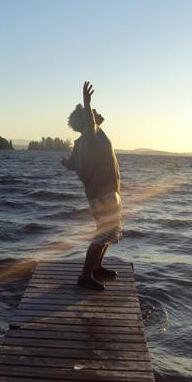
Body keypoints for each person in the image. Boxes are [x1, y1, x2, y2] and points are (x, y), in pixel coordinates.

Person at [62, 81, 122, 291]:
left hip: (100, 192)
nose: (95, 116)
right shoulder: (91, 133)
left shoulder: (80, 143)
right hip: (103, 192)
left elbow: (73, 165)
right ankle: (85, 276)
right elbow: (89, 120)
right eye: (91, 115)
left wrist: (67, 164)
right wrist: (87, 103)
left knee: (108, 230)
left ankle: (95, 267)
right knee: (104, 232)